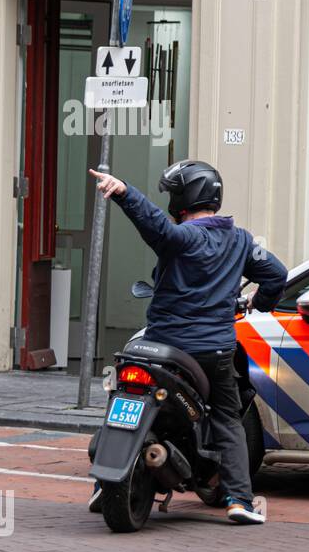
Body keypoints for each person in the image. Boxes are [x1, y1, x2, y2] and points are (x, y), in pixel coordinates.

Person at [88, 161, 288, 523]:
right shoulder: (240, 240)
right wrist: (261, 303)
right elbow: (277, 274)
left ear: (182, 198)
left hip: (163, 348)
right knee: (228, 417)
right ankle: (241, 501)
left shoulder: (182, 238)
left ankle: (104, 484)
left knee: (121, 396)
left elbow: (156, 226)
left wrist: (124, 192)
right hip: (212, 353)